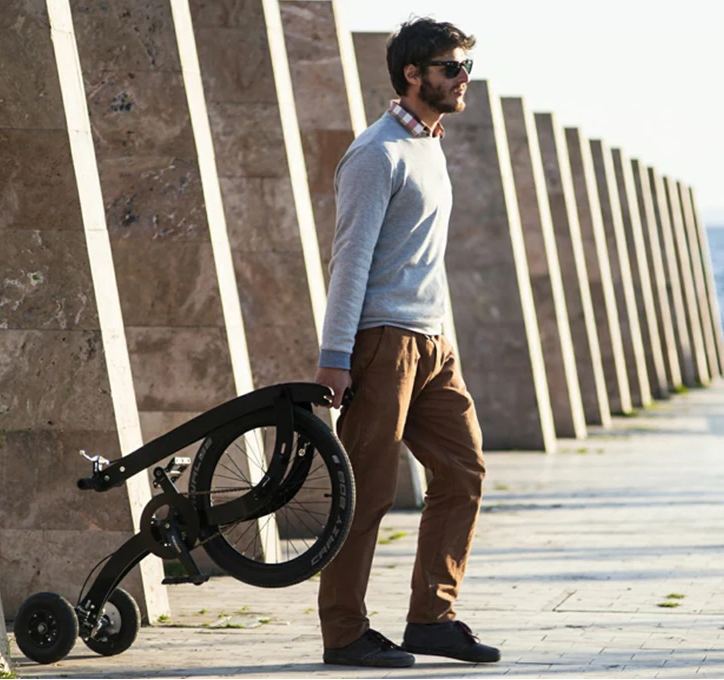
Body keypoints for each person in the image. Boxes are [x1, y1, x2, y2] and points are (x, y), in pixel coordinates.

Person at [314, 17, 500, 668]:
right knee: (367, 491)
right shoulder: (377, 153)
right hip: (382, 341)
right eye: (452, 67)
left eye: (467, 67)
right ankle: (343, 632)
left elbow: (419, 258)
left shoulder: (429, 146)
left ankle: (431, 619)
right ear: (413, 75)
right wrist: (335, 358)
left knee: (463, 472)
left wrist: (442, 337)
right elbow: (350, 260)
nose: (463, 78)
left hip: (431, 343)